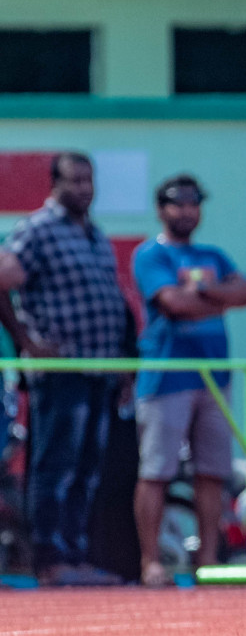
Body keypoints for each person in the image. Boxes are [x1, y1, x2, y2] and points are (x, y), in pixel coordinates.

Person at [0, 152, 129, 587]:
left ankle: (75, 556)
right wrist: (26, 341)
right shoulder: (37, 230)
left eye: (88, 180)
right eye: (74, 181)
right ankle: (50, 559)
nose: (84, 189)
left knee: (87, 471)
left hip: (99, 370)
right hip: (60, 371)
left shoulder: (94, 234)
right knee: (55, 468)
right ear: (54, 184)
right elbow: (2, 279)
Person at [132, 174, 246, 587]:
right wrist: (219, 298)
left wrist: (200, 298)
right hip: (166, 378)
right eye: (177, 203)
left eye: (193, 202)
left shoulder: (213, 254)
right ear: (160, 208)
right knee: (157, 471)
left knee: (212, 472)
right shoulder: (151, 255)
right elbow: (173, 304)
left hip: (214, 377)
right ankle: (151, 562)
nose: (186, 210)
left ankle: (208, 561)